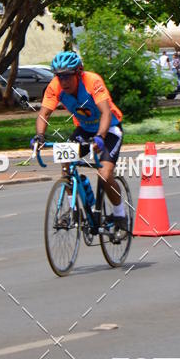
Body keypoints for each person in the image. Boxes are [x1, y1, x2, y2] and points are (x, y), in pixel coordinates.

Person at [30, 52, 126, 228]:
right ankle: (74, 210)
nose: (63, 81)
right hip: (85, 129)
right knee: (65, 161)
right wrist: (40, 136)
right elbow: (44, 114)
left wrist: (100, 137)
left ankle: (120, 215)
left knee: (104, 175)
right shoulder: (55, 86)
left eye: (67, 76)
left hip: (109, 129)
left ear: (78, 73)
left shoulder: (92, 81)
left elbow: (105, 112)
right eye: (59, 76)